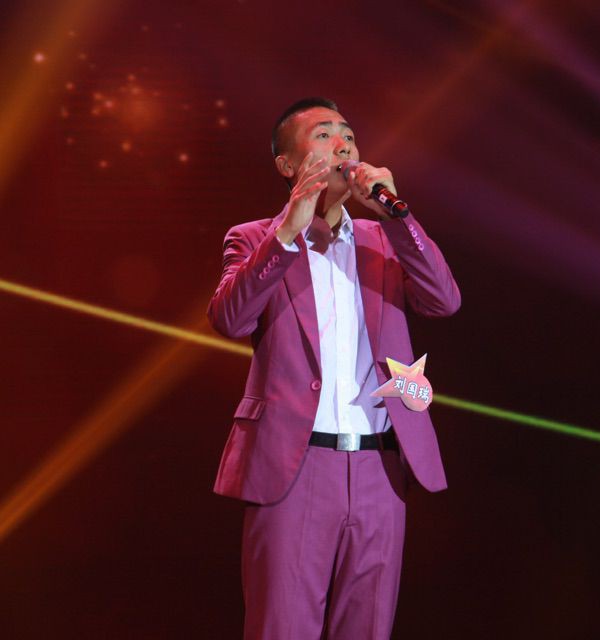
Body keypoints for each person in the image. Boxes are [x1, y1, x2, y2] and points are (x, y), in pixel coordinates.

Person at [207, 97, 461, 640]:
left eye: (348, 134)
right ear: (287, 164)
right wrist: (287, 231)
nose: (343, 144)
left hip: (380, 468)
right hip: (294, 466)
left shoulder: (382, 241)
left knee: (368, 628)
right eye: (323, 135)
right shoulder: (254, 238)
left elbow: (444, 300)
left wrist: (398, 217)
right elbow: (229, 318)